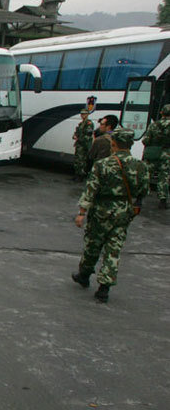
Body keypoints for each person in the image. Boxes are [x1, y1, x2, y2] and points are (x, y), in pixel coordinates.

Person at [71, 127, 149, 303]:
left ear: (113, 144)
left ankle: (84, 274)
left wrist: (82, 212)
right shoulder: (140, 165)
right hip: (123, 211)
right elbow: (143, 190)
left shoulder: (102, 165)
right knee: (113, 249)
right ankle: (104, 288)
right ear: (130, 144)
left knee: (93, 244)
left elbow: (90, 190)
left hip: (101, 211)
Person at [140, 103, 170, 209]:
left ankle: (139, 199)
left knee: (146, 175)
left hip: (153, 153)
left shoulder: (154, 125)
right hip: (167, 154)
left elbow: (146, 140)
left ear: (162, 112)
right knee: (164, 176)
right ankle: (162, 200)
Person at [72, 109, 95, 181]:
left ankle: (81, 176)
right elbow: (77, 132)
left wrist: (78, 138)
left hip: (84, 145)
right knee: (77, 160)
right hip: (79, 145)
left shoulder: (89, 123)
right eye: (82, 114)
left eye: (84, 114)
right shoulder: (81, 124)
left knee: (82, 161)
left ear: (87, 114)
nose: (83, 115)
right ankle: (77, 174)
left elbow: (88, 135)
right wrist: (75, 136)